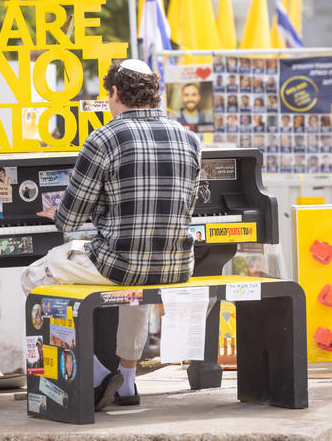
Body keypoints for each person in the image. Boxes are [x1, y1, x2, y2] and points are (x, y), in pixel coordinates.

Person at [21, 59, 201, 410]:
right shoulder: (189, 138)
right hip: (177, 265)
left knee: (33, 277)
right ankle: (127, 384)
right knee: (133, 287)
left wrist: (61, 211)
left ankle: (97, 373)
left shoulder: (104, 137)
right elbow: (186, 206)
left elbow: (70, 218)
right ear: (155, 93)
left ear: (115, 93)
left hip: (120, 262)